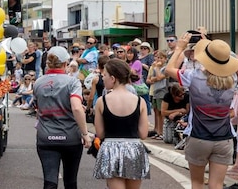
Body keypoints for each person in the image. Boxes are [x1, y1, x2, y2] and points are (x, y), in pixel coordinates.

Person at [164, 30, 238, 189]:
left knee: (197, 183)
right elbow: (224, 57)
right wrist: (210, 45)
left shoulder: (193, 76)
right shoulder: (232, 79)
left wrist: (179, 49)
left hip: (199, 136)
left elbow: (169, 70)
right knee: (217, 185)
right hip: (224, 138)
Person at [33, 46, 91, 189]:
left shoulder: (38, 82)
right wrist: (85, 134)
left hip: (46, 137)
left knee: (50, 181)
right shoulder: (72, 82)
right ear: (66, 63)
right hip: (70, 136)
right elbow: (77, 107)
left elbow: (37, 108)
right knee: (70, 181)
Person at [92, 59, 150, 187]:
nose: (103, 77)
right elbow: (143, 134)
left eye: (105, 75)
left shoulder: (102, 101)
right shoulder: (140, 101)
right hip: (134, 148)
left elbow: (100, 133)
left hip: (111, 148)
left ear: (113, 78)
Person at [146, 49, 170, 140]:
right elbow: (149, 79)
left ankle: (163, 132)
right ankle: (158, 131)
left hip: (162, 91)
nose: (159, 60)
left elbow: (160, 77)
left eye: (161, 58)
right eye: (158, 57)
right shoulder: (154, 67)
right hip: (155, 91)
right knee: (156, 112)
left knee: (162, 112)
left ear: (165, 59)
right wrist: (155, 77)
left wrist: (156, 69)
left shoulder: (165, 68)